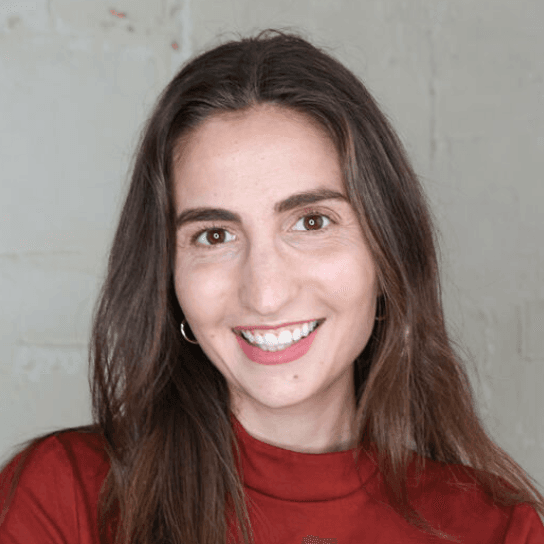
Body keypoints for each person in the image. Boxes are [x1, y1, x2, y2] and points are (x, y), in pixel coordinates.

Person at [1, 29, 543, 544]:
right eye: (214, 235)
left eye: (311, 222)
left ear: (387, 251)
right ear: (166, 272)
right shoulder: (63, 497)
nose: (265, 294)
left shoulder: (497, 530)